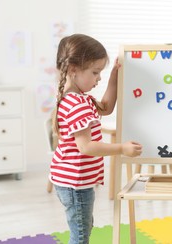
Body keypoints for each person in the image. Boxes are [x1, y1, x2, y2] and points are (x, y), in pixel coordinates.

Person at [49, 34, 142, 244]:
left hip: (72, 182)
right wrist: (121, 148)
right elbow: (86, 146)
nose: (98, 78)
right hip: (75, 184)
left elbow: (106, 107)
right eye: (95, 72)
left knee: (83, 228)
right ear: (73, 69)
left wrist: (113, 77)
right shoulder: (77, 104)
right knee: (80, 235)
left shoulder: (79, 98)